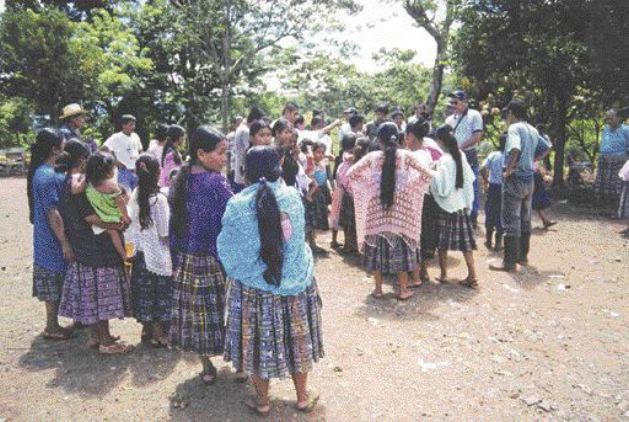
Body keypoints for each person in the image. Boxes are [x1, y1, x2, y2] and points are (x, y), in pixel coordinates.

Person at [218, 146, 324, 415]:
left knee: (257, 343)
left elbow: (228, 250)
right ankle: (302, 396)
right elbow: (297, 242)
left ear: (246, 171)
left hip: (254, 289)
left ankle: (263, 401)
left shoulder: (237, 205)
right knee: (298, 339)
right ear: (278, 166)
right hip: (295, 285)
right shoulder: (291, 197)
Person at [168, 125, 233, 385]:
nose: (224, 158)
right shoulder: (215, 182)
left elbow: (175, 224)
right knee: (224, 310)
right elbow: (232, 217)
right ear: (201, 154)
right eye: (220, 153)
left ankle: (206, 367)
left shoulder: (180, 179)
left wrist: (175, 258)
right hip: (214, 260)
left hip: (186, 259)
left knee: (197, 315)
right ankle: (238, 363)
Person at [58, 140, 134, 354]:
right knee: (100, 294)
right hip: (94, 248)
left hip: (81, 245)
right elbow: (91, 217)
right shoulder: (82, 187)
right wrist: (115, 224)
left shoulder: (72, 182)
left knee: (90, 294)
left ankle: (96, 336)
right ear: (82, 160)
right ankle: (106, 341)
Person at [348, 122, 433, 300]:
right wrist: (409, 188)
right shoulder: (406, 156)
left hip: (376, 213)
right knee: (401, 251)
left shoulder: (372, 157)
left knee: (377, 251)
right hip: (401, 214)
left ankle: (378, 289)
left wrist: (371, 186)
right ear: (399, 138)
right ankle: (402, 290)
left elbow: (351, 174)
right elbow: (427, 175)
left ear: (379, 140)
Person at [490, 99, 551, 272]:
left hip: (515, 178)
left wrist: (508, 170)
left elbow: (515, 149)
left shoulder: (514, 128)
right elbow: (546, 147)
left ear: (511, 113)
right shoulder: (532, 129)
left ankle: (509, 262)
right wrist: (532, 159)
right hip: (529, 179)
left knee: (511, 220)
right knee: (525, 219)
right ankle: (522, 257)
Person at [27, 128, 74, 340]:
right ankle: (52, 326)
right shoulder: (45, 176)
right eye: (63, 143)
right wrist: (64, 242)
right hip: (51, 237)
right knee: (53, 278)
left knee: (56, 277)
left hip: (48, 236)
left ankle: (54, 324)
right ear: (55, 148)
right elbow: (52, 213)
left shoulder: (45, 171)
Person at [128, 155, 172, 347]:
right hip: (158, 255)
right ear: (158, 172)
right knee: (159, 294)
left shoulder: (136, 193)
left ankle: (146, 329)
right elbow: (164, 232)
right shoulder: (159, 200)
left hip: (140, 254)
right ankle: (158, 334)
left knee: (145, 293)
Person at [430, 125, 478, 287]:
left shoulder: (445, 160)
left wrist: (432, 171)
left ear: (440, 141)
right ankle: (473, 275)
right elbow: (469, 179)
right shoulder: (460, 155)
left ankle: (444, 274)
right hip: (461, 205)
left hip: (447, 206)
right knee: (466, 244)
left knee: (442, 243)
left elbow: (442, 186)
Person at [405, 118, 443, 282]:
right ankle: (423, 270)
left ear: (412, 136)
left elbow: (414, 179)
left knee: (417, 234)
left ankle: (420, 271)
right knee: (423, 234)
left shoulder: (417, 155)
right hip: (426, 197)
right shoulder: (426, 153)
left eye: (407, 136)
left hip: (418, 198)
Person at [81, 153, 131, 262]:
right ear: (107, 172)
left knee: (113, 233)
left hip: (101, 217)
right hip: (115, 216)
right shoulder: (112, 186)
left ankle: (123, 255)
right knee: (125, 234)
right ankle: (128, 255)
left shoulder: (88, 186)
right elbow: (121, 203)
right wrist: (126, 217)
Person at [445, 90, 484, 227]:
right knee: (454, 183)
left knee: (472, 184)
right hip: (454, 155)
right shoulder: (449, 120)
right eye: (452, 102)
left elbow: (477, 136)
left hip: (468, 153)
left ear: (464, 102)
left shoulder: (474, 115)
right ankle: (457, 213)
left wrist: (460, 147)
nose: (453, 105)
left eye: (456, 102)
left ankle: (473, 215)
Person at [594, 109, 629, 214]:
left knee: (617, 186)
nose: (609, 121)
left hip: (619, 161)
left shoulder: (626, 130)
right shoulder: (605, 129)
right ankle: (606, 209)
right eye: (607, 118)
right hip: (604, 161)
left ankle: (616, 210)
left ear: (618, 118)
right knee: (604, 187)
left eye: (611, 118)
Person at [331, 134, 359, 253]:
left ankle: (344, 242)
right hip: (346, 194)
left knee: (341, 218)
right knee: (347, 220)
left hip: (342, 192)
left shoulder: (343, 159)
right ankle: (348, 244)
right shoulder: (349, 158)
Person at [103, 114, 143, 191]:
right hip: (123, 171)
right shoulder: (116, 136)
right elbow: (105, 148)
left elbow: (140, 150)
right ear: (123, 125)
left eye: (134, 124)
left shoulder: (135, 136)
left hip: (136, 171)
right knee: (125, 195)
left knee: (136, 195)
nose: (133, 127)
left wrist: (141, 160)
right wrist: (115, 161)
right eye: (131, 124)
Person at [481, 134, 506, 250]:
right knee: (501, 214)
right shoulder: (510, 157)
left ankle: (488, 240)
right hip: (504, 189)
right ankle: (498, 243)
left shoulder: (493, 155)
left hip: (492, 188)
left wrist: (486, 180)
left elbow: (482, 168)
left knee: (490, 213)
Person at [233, 106, 265, 192]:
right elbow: (251, 151)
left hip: (241, 169)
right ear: (254, 120)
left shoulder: (241, 127)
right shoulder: (246, 131)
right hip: (244, 172)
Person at [309, 141, 332, 234]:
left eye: (323, 152)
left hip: (323, 190)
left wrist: (330, 189)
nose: (321, 155)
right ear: (313, 152)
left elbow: (328, 177)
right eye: (318, 152)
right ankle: (312, 239)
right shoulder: (311, 164)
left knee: (323, 211)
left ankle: (316, 237)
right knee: (314, 214)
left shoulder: (325, 163)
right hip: (314, 191)